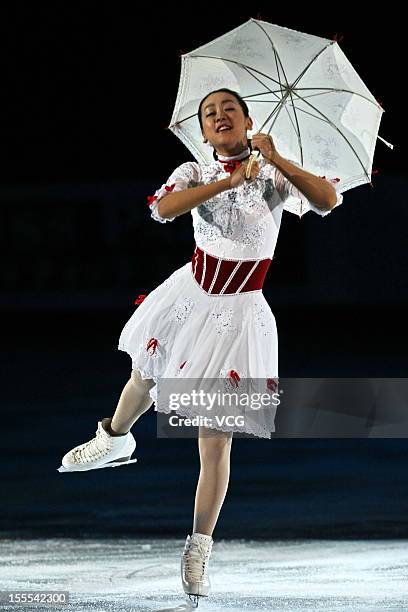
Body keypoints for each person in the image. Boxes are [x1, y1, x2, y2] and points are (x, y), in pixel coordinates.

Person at [58, 88, 343, 606]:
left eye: (228, 110)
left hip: (239, 313)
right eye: (210, 114)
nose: (219, 117)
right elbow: (163, 210)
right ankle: (116, 438)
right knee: (146, 371)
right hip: (192, 290)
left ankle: (199, 546)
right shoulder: (193, 171)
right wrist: (224, 184)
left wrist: (276, 159)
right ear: (204, 131)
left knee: (215, 440)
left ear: (247, 119)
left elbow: (328, 200)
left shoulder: (275, 176)